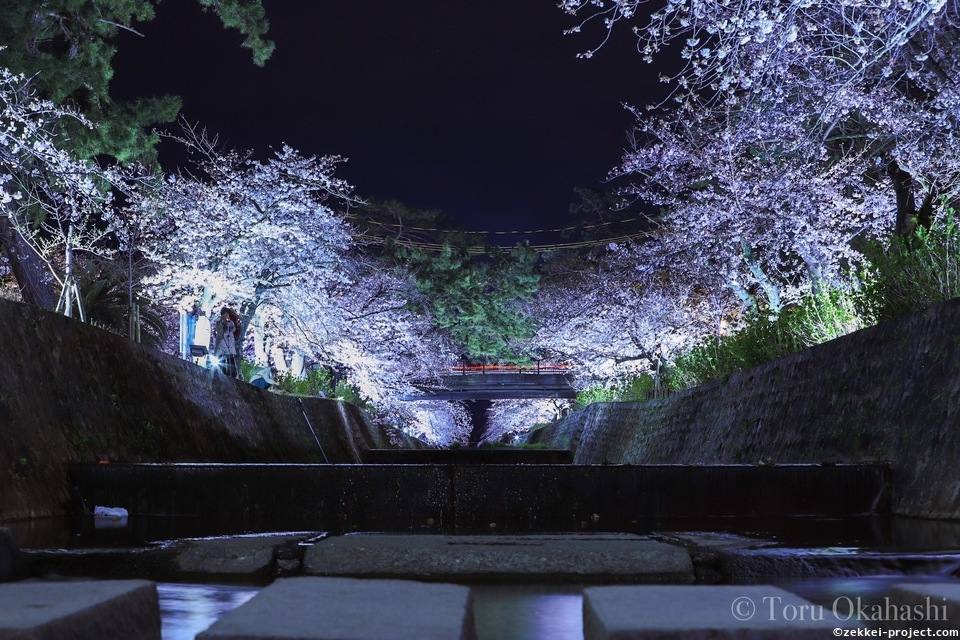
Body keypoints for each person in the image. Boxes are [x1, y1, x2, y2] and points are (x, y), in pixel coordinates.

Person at [213, 307, 242, 378]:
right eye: (225, 314)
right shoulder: (219, 322)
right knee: (222, 368)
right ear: (222, 314)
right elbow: (220, 333)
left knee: (232, 369)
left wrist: (236, 324)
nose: (227, 316)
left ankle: (233, 379)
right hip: (222, 346)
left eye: (228, 314)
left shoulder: (231, 323)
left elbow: (234, 330)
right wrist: (224, 325)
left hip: (230, 347)